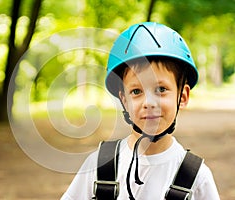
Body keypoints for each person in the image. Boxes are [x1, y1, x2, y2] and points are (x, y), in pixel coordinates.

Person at [61, 22, 220, 200]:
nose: (149, 103)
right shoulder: (99, 165)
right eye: (136, 91)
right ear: (124, 101)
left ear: (182, 97)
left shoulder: (196, 177)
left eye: (161, 89)